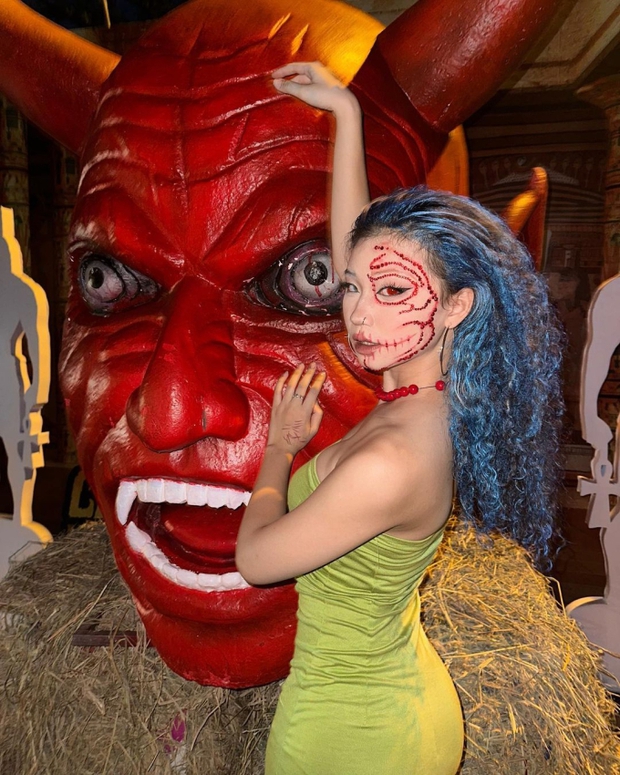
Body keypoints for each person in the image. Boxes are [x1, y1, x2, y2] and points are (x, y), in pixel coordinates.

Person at [235, 63, 564, 775]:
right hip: (399, 701)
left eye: (389, 292)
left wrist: (279, 451)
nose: (358, 312)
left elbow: (255, 561)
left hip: (351, 736)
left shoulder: (391, 461)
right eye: (353, 288)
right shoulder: (431, 392)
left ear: (455, 307)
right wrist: (346, 117)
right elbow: (363, 252)